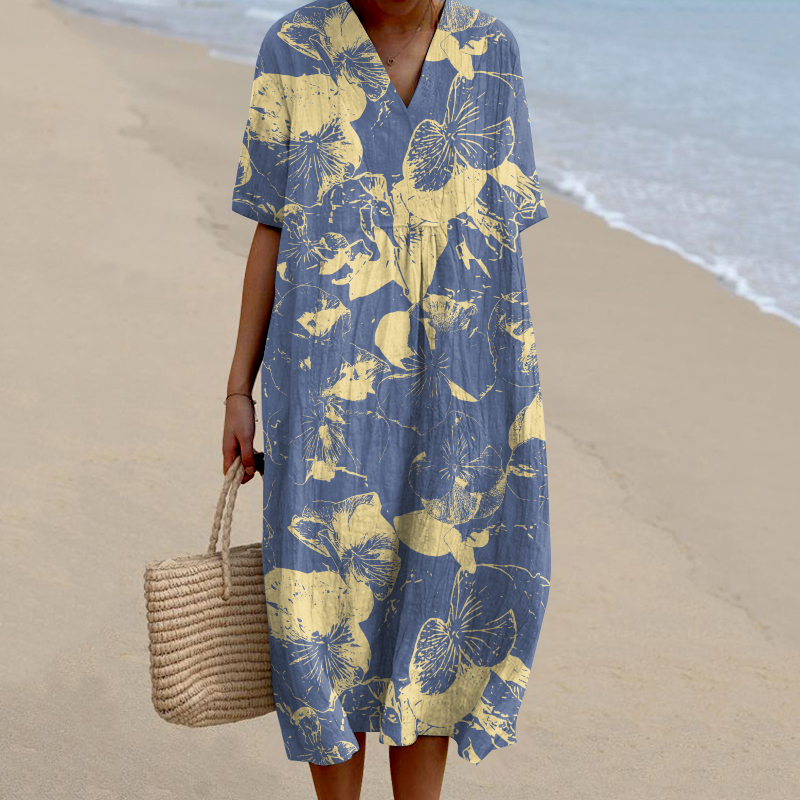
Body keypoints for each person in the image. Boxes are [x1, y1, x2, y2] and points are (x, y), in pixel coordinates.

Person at [222, 1, 551, 797]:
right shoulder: (294, 46)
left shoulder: (491, 51)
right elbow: (271, 225)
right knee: (321, 602)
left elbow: (499, 242)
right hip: (325, 388)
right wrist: (238, 386)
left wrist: (504, 399)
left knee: (439, 595)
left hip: (461, 387)